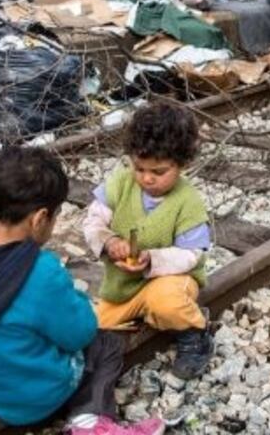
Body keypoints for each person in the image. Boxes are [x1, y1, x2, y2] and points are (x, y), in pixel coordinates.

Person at [0, 147, 164, 435]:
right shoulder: (40, 271)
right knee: (106, 344)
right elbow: (80, 332)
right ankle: (90, 421)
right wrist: (77, 300)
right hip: (36, 399)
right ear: (39, 218)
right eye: (55, 218)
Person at [83, 103, 214, 380]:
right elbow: (92, 222)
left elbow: (193, 254)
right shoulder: (120, 183)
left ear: (181, 164)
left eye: (158, 171)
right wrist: (109, 241)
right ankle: (151, 315)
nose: (146, 178)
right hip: (125, 288)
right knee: (91, 327)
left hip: (172, 281)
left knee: (165, 300)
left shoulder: (188, 201)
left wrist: (151, 259)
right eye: (139, 168)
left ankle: (195, 333)